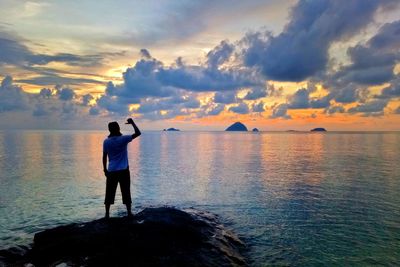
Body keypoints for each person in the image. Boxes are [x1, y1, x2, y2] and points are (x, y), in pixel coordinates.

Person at [103, 118, 141, 218]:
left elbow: (104, 156)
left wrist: (105, 170)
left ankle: (107, 214)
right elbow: (138, 133)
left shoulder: (106, 142)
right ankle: (129, 212)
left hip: (111, 171)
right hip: (123, 170)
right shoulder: (123, 139)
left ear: (109, 130)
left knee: (109, 192)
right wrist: (132, 123)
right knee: (126, 192)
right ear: (118, 128)